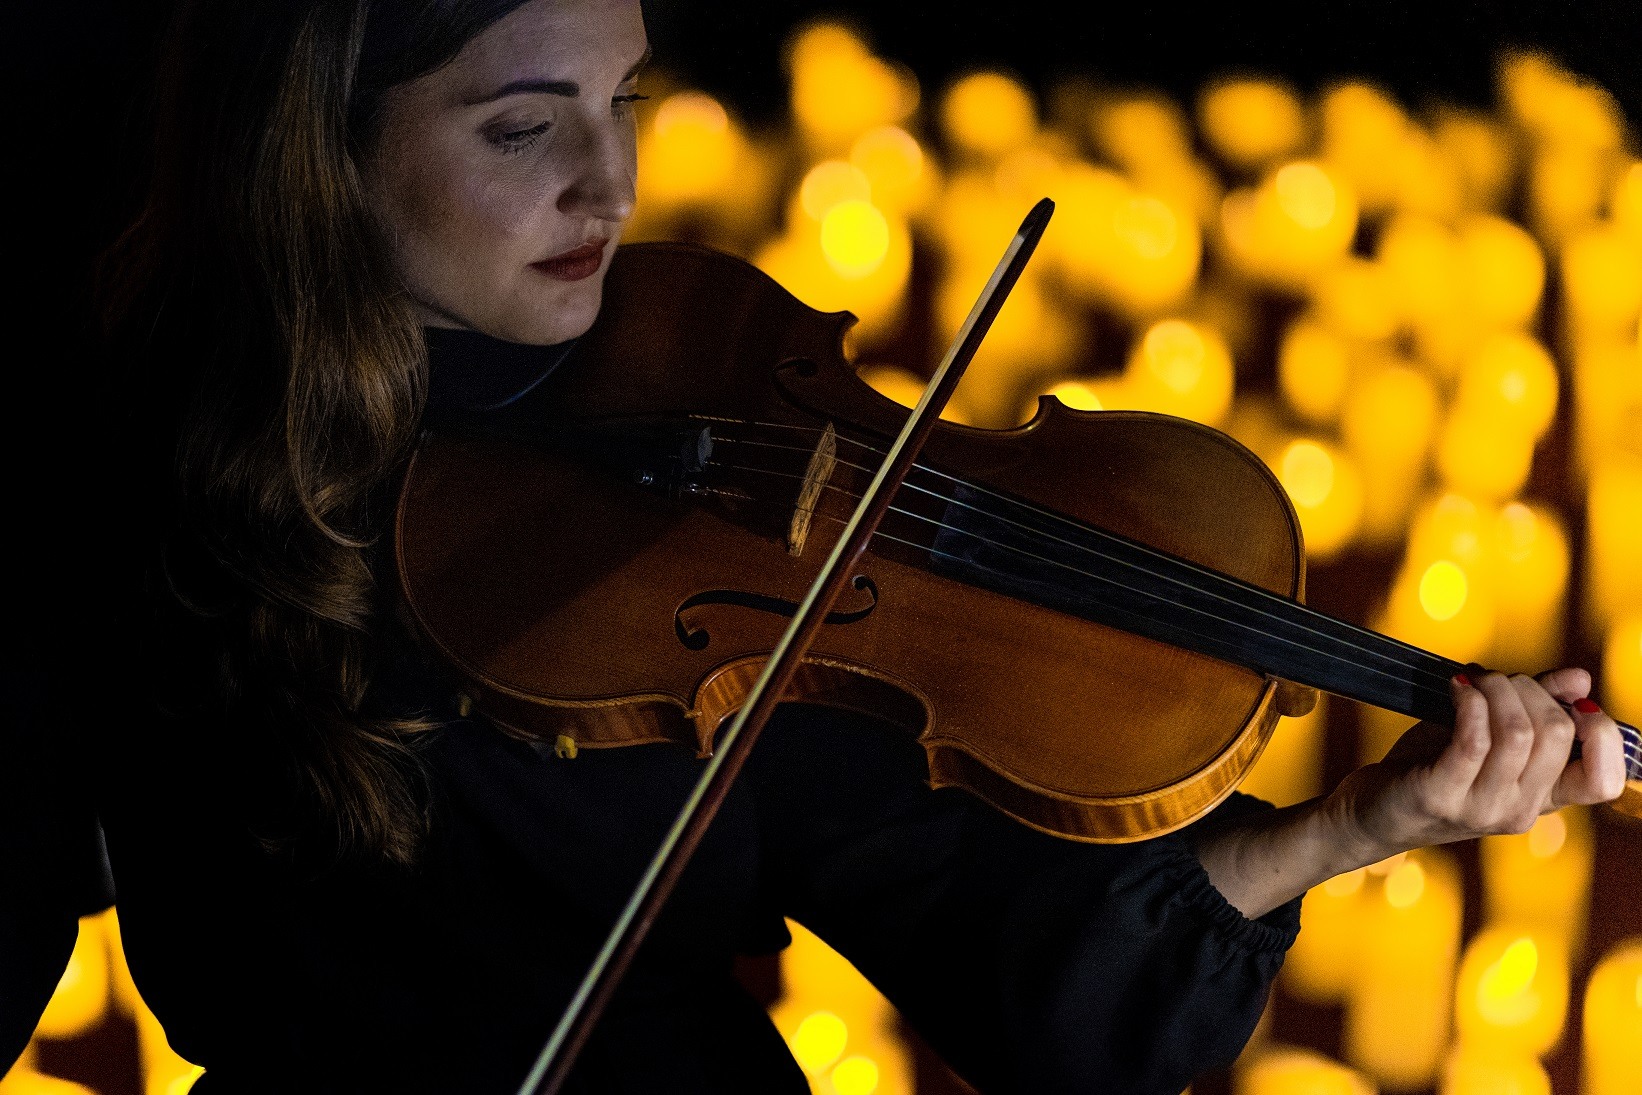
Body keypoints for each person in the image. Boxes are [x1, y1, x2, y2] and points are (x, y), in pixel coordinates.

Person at [82, 0, 1630, 1092]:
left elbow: (993, 963)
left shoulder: (710, 433)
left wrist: (1352, 828)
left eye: (620, 104)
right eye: (517, 126)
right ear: (318, 147)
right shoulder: (127, 472)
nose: (607, 187)